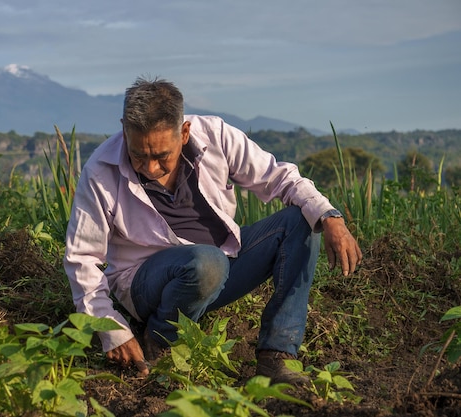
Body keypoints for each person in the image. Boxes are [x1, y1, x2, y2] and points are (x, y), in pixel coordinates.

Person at [64, 77, 362, 383]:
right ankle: (162, 342)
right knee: (207, 262)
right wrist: (110, 329)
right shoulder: (101, 172)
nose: (150, 168)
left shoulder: (217, 136)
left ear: (184, 133)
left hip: (220, 265)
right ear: (125, 130)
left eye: (161, 156)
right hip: (147, 282)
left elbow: (278, 177)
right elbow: (82, 258)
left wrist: (330, 216)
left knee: (301, 221)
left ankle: (277, 356)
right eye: (139, 155)